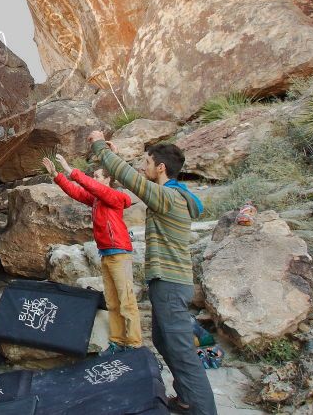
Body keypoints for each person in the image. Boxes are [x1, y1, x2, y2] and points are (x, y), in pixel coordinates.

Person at [87, 131, 216, 415]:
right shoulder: (172, 194)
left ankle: (202, 410)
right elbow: (131, 179)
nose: (143, 168)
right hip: (167, 283)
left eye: (147, 162)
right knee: (162, 340)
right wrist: (116, 155)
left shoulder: (167, 197)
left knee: (182, 354)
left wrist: (99, 145)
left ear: (161, 167)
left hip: (170, 285)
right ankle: (186, 400)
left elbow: (130, 179)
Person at [42, 152, 142, 355]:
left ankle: (134, 344)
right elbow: (76, 192)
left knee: (126, 300)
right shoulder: (98, 199)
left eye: (97, 176)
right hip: (106, 253)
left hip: (119, 253)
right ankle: (117, 340)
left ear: (108, 179)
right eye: (94, 176)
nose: (95, 179)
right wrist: (57, 175)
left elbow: (93, 187)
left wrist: (71, 171)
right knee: (113, 301)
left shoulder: (115, 197)